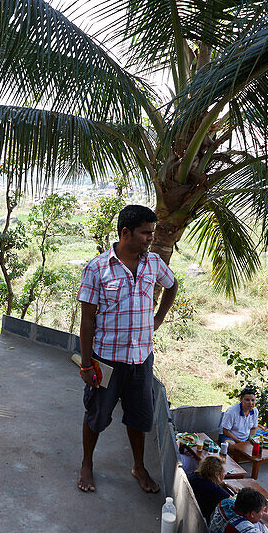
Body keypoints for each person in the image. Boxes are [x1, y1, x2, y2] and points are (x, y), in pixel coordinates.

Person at [76, 205, 178, 493]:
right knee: (96, 414)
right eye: (145, 233)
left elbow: (172, 286)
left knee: (139, 416)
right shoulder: (97, 268)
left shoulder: (154, 264)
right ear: (125, 233)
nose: (150, 238)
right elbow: (87, 319)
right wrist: (86, 364)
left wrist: (158, 319)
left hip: (141, 359)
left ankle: (139, 466)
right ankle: (87, 463)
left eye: (152, 233)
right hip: (106, 361)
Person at [188, 455, 231, 520]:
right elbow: (233, 502)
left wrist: (227, 484)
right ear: (216, 474)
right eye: (224, 472)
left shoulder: (195, 476)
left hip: (190, 512)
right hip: (205, 522)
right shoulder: (215, 490)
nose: (225, 474)